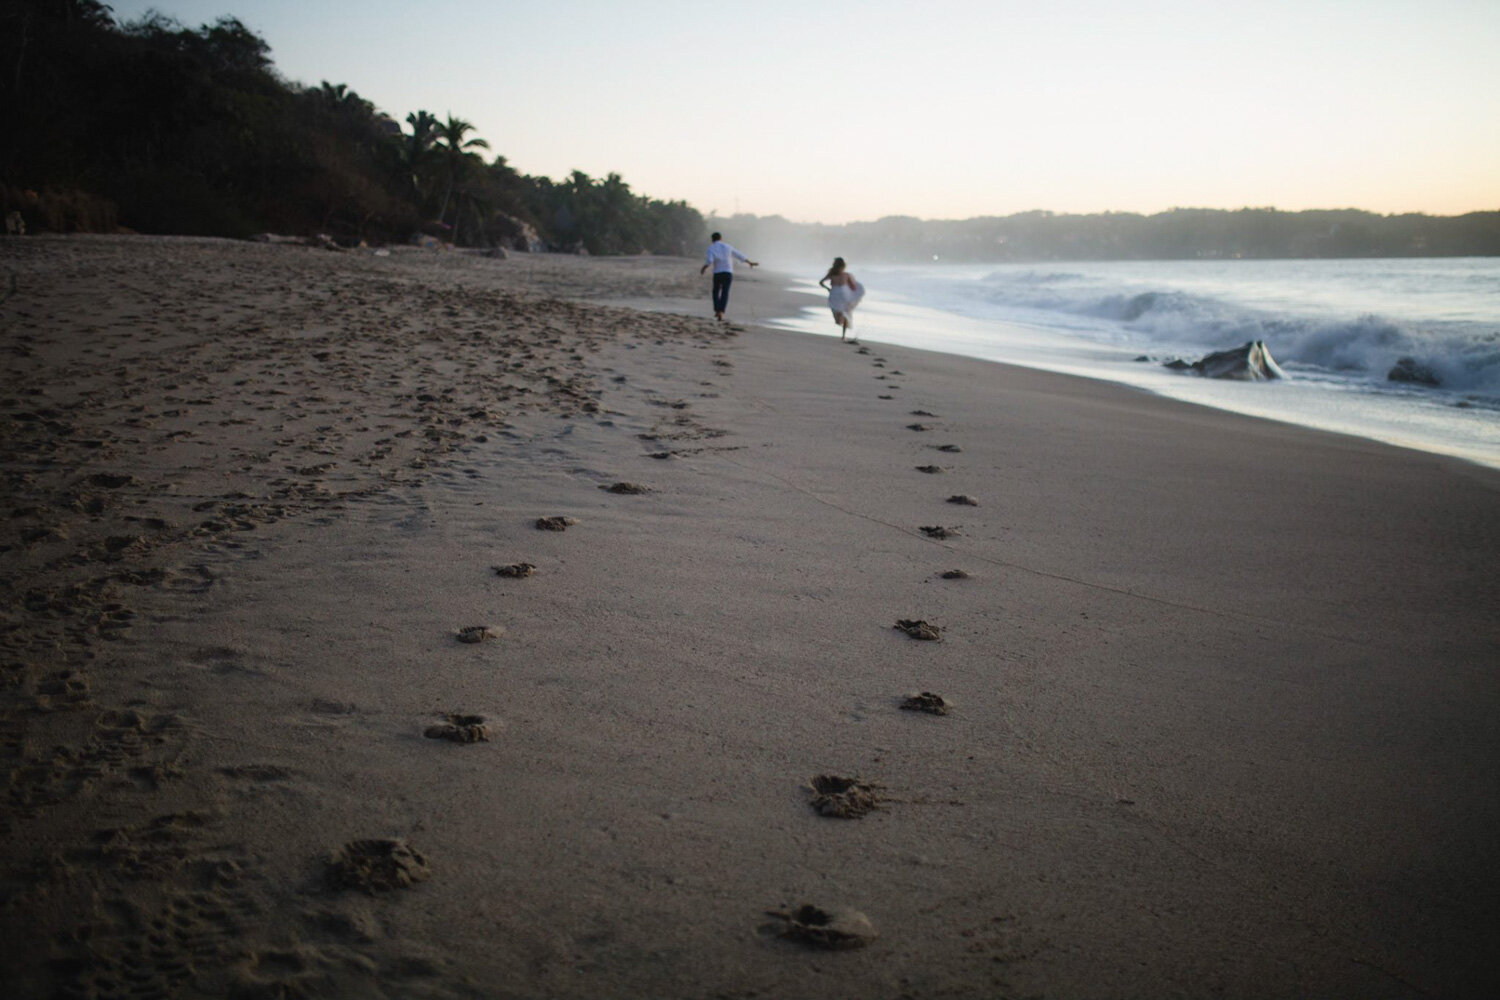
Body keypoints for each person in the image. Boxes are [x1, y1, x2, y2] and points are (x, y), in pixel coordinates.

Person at [699, 232, 757, 321]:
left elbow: (709, 261)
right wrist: (749, 262)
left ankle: (717, 310)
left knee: (715, 291)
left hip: (718, 272)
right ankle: (721, 311)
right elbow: (739, 255)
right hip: (728, 272)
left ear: (712, 239)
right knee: (725, 292)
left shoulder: (710, 248)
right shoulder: (728, 246)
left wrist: (703, 268)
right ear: (721, 238)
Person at [818, 257, 864, 341]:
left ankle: (842, 325)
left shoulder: (832, 274)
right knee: (846, 313)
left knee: (837, 317)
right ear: (843, 266)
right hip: (844, 294)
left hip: (834, 294)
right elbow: (853, 287)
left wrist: (828, 288)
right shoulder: (846, 275)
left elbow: (821, 282)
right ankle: (843, 335)